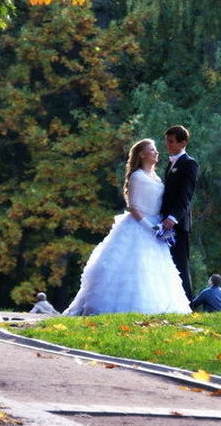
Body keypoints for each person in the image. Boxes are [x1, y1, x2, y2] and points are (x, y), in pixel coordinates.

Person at [64, 139, 191, 315]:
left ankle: (161, 308)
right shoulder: (137, 176)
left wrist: (163, 225)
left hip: (157, 227)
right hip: (140, 226)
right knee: (135, 266)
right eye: (152, 150)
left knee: (156, 269)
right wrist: (151, 227)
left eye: (156, 150)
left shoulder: (156, 176)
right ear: (142, 154)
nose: (157, 153)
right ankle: (126, 308)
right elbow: (133, 207)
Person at [160, 125, 198, 299]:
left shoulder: (189, 164)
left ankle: (187, 302)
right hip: (165, 221)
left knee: (181, 264)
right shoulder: (170, 163)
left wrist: (173, 217)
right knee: (169, 264)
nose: (167, 144)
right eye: (167, 141)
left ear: (182, 143)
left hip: (178, 223)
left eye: (171, 141)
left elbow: (186, 195)